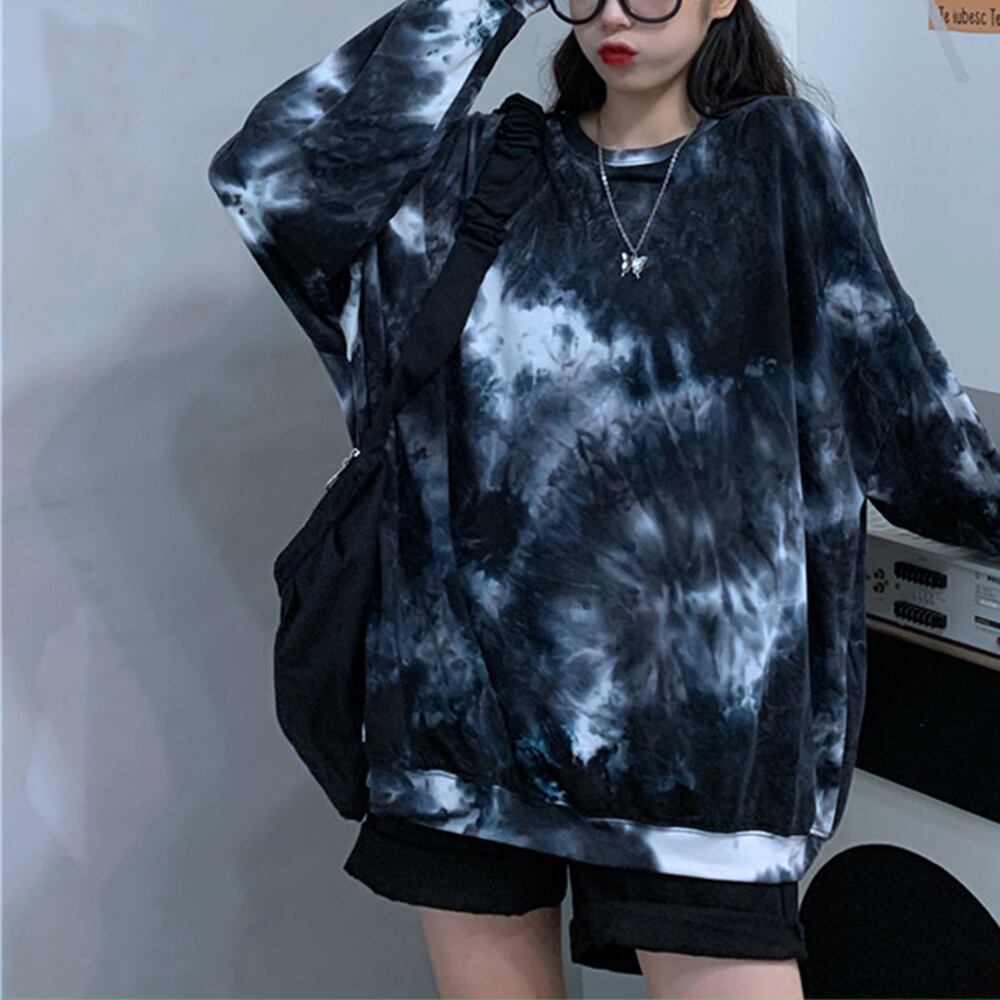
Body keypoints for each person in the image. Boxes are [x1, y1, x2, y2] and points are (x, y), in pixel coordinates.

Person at [207, 0, 1000, 997]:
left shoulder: (779, 159)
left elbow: (901, 407)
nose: (614, 14)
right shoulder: (481, 171)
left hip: (703, 750)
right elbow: (273, 178)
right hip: (468, 727)